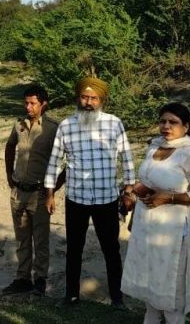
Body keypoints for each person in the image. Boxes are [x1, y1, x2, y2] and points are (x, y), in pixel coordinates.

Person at [121, 102, 190, 324]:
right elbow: (150, 181)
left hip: (175, 233)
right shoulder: (154, 147)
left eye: (173, 122)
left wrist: (168, 197)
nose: (166, 126)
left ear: (186, 127)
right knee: (151, 292)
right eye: (163, 121)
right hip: (146, 227)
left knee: (171, 296)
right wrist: (134, 191)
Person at [44, 76, 135, 308]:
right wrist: (50, 192)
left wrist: (128, 189)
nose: (88, 102)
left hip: (107, 197)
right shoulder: (66, 125)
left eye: (93, 98)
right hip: (77, 197)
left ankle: (117, 298)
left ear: (101, 100)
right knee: (74, 248)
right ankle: (71, 296)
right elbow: (55, 161)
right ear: (78, 98)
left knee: (111, 249)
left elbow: (126, 157)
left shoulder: (114, 123)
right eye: (84, 97)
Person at [2, 84, 65, 297]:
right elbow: (10, 147)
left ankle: (40, 280)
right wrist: (9, 175)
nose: (28, 107)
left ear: (43, 104)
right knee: (21, 238)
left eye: (33, 103)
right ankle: (22, 278)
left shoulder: (53, 129)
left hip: (39, 193)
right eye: (26, 102)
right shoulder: (18, 124)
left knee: (40, 239)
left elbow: (69, 159)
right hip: (19, 192)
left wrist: (54, 187)